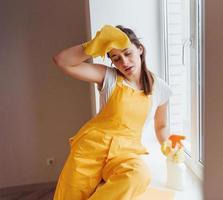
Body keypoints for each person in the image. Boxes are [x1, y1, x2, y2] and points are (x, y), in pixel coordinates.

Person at [52, 25, 172, 200]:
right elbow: (62, 61)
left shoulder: (160, 88)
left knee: (139, 175)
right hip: (90, 149)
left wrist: (169, 148)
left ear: (140, 49)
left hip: (125, 152)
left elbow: (161, 126)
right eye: (116, 58)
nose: (124, 62)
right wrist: (94, 45)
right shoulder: (108, 77)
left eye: (127, 53)